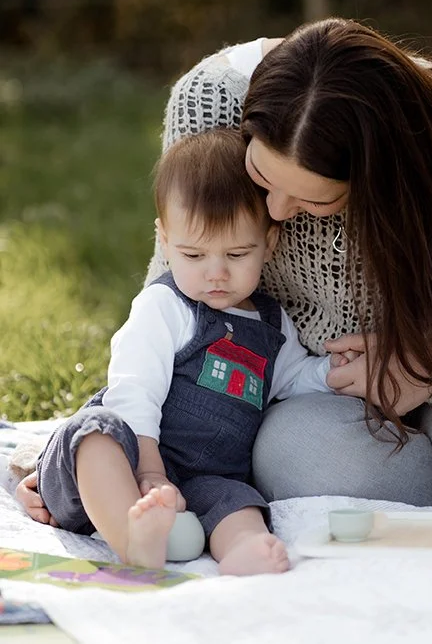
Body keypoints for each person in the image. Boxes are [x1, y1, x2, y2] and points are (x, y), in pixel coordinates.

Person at [17, 18, 432, 524]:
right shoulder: (209, 107)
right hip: (314, 394)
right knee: (300, 461)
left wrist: (430, 359)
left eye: (313, 202)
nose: (274, 213)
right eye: (260, 176)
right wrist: (91, 454)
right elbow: (173, 315)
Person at [25, 128, 338, 575]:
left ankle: (243, 549)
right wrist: (148, 467)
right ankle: (132, 538)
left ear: (269, 243)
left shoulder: (271, 324)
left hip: (206, 476)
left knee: (238, 500)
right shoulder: (165, 305)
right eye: (193, 255)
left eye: (236, 254)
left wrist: (331, 374)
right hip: (128, 458)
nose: (216, 274)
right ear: (165, 241)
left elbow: (290, 380)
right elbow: (134, 388)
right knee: (96, 432)